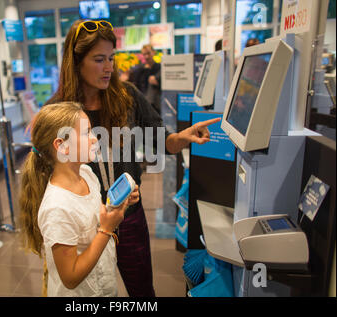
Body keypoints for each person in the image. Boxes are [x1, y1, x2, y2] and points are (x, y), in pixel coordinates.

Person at [45, 19, 220, 297]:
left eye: (111, 58)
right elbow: (49, 174)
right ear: (76, 62)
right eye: (99, 59)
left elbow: (164, 142)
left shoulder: (127, 97)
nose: (108, 67)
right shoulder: (58, 111)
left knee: (142, 293)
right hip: (85, 225)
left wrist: (183, 137)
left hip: (129, 219)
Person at [19, 102, 140, 296]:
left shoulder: (87, 174)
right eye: (86, 133)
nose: (94, 139)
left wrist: (119, 207)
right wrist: (107, 230)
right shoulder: (57, 208)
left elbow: (93, 219)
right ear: (62, 146)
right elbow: (70, 278)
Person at [127, 44, 162, 113]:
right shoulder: (139, 69)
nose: (146, 56)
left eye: (148, 53)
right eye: (144, 54)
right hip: (141, 104)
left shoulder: (159, 68)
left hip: (155, 105)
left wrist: (157, 82)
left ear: (154, 52)